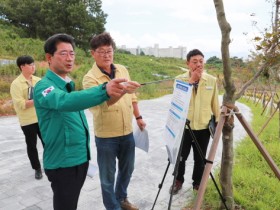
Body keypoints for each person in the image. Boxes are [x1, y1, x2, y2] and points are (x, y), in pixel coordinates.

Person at [33, 33, 140, 210]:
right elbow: (65, 102)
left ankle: (122, 199)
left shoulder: (68, 84)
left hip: (78, 159)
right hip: (64, 161)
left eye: (72, 53)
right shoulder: (44, 87)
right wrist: (105, 90)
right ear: (49, 58)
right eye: (63, 53)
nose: (69, 58)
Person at [83, 32, 146, 210]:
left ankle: (122, 198)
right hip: (106, 137)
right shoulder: (90, 79)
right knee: (107, 177)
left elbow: (132, 96)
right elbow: (102, 105)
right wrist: (123, 91)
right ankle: (113, 207)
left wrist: (138, 117)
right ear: (92, 53)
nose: (106, 55)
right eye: (101, 51)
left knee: (128, 170)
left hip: (127, 133)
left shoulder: (122, 69)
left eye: (109, 51)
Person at [169, 49, 220, 194]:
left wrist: (218, 121)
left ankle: (197, 183)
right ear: (188, 63)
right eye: (194, 62)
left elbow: (215, 102)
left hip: (203, 127)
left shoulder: (211, 80)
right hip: (185, 126)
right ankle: (177, 181)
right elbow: (177, 101)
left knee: (200, 158)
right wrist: (191, 81)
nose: (198, 64)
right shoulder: (180, 79)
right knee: (181, 157)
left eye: (201, 61)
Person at [10, 55, 43, 180]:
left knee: (49, 142)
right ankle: (37, 168)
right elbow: (20, 104)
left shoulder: (38, 80)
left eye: (34, 64)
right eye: (30, 65)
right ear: (22, 67)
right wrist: (38, 100)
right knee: (32, 145)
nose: (33, 66)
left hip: (41, 118)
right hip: (27, 121)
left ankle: (52, 164)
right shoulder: (16, 84)